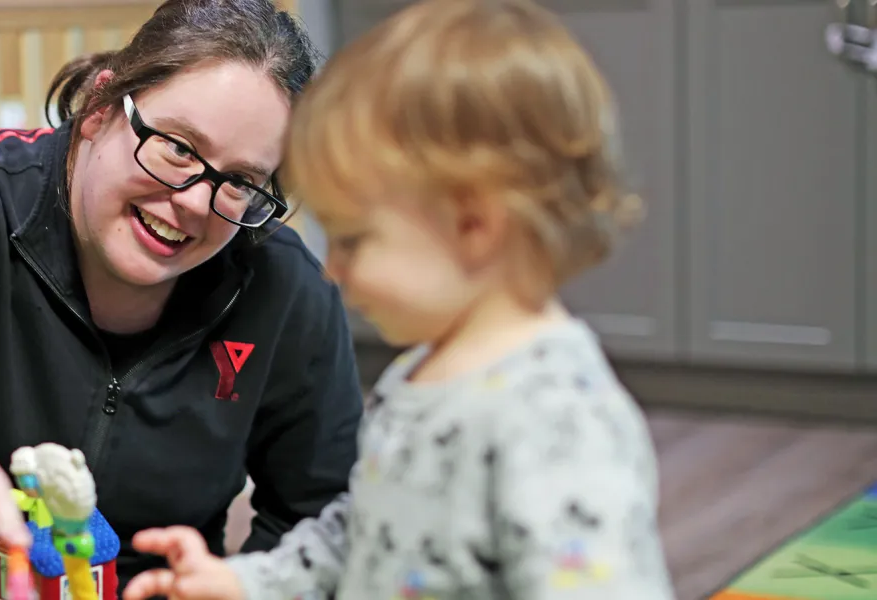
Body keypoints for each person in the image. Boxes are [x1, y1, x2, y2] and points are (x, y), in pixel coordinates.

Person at [0, 0, 365, 598]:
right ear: (100, 108)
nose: (195, 201)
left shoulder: (281, 285)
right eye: (179, 148)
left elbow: (319, 515)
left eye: (240, 181)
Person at [121, 0, 678, 598]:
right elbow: (359, 535)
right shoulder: (419, 376)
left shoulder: (559, 418)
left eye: (355, 240)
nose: (331, 271)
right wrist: (243, 581)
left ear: (474, 226)